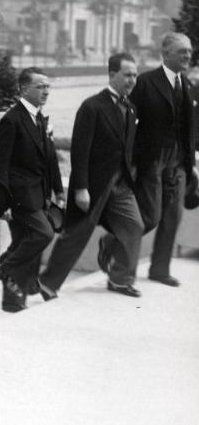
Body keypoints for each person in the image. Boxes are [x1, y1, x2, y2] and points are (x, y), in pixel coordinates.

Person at [39, 53, 144, 298]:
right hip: (94, 185)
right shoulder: (92, 107)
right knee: (77, 233)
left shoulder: (130, 107)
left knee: (134, 225)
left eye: (135, 76)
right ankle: (47, 284)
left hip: (121, 184)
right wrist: (81, 188)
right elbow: (80, 150)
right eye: (127, 75)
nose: (132, 80)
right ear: (111, 75)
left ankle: (119, 279)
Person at [0, 67, 65, 312]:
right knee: (43, 233)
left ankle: (13, 301)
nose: (46, 91)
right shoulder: (11, 120)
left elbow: (50, 158)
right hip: (20, 197)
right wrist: (3, 202)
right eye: (40, 87)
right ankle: (7, 267)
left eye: (47, 87)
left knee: (23, 242)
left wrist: (58, 190)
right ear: (24, 89)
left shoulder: (39, 118)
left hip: (39, 194)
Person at [128, 32, 197, 287]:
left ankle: (160, 269)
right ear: (166, 54)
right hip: (152, 160)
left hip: (178, 161)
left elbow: (191, 129)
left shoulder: (188, 85)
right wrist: (131, 162)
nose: (188, 56)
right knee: (151, 215)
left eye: (189, 51)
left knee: (173, 216)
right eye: (182, 52)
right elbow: (129, 125)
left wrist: (192, 165)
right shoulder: (145, 83)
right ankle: (113, 245)